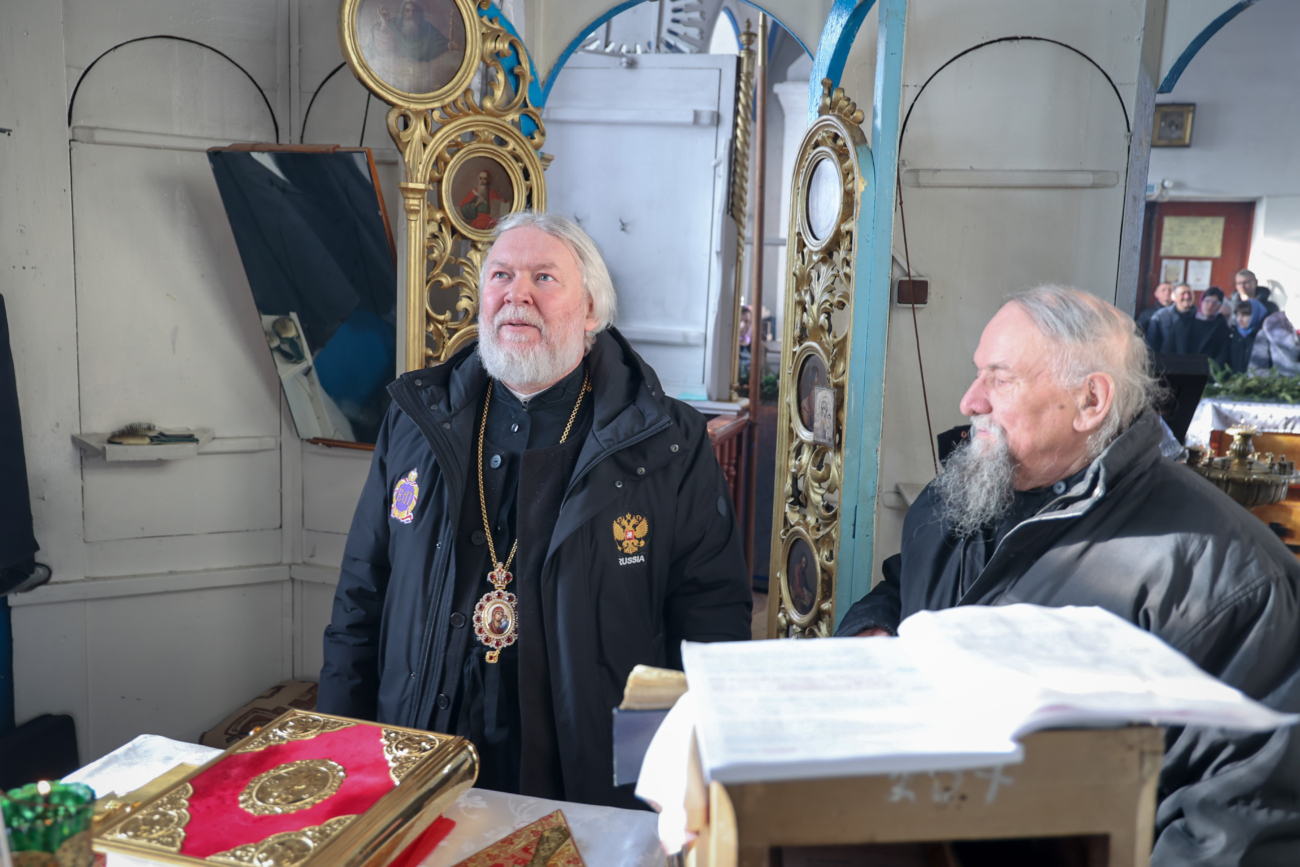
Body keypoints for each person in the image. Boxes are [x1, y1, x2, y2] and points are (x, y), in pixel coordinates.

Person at [836, 286, 1300, 866]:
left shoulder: (1226, 578)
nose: (969, 400)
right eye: (978, 374)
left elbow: (1236, 825)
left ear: (1090, 401)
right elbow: (907, 583)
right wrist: (873, 629)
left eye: (1000, 379)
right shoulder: (966, 489)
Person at [318, 210, 752, 807]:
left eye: (543, 277)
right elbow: (361, 596)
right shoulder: (414, 421)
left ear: (591, 311)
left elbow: (710, 619)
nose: (516, 294)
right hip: (419, 752)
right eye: (501, 275)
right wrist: (341, 754)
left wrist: (681, 791)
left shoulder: (668, 440)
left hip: (586, 774)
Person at [1144, 283, 1195, 352]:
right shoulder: (1160, 316)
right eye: (1183, 293)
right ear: (1173, 296)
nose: (1187, 296)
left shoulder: (1200, 317)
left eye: (1189, 293)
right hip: (1166, 358)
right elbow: (1151, 343)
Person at [1223, 299, 1266, 373]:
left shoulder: (1264, 336)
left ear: (1256, 315)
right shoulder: (1234, 335)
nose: (1239, 319)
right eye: (1238, 315)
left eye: (1245, 315)